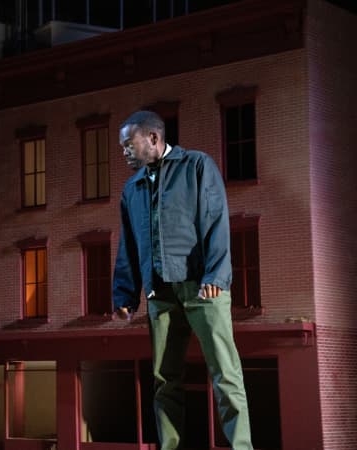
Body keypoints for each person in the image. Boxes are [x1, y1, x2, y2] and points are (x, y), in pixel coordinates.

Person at [112, 111, 253, 450]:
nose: (124, 153)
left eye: (129, 145)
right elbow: (128, 245)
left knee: (225, 372)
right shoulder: (132, 188)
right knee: (164, 380)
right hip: (160, 292)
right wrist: (125, 295)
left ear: (153, 139)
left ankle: (241, 446)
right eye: (122, 148)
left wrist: (216, 274)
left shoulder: (197, 166)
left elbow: (216, 220)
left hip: (203, 287)